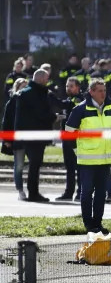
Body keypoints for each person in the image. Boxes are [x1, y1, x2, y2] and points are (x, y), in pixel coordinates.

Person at [65, 79, 111, 234]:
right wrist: (76, 150)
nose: (103, 94)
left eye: (104, 90)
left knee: (101, 194)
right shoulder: (80, 109)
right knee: (86, 193)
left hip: (105, 159)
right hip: (87, 159)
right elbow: (68, 132)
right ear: (91, 91)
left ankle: (97, 223)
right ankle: (88, 224)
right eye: (100, 91)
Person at [15, 69, 57, 202]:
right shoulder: (34, 94)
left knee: (35, 164)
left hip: (30, 135)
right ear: (40, 79)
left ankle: (33, 192)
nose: (47, 81)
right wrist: (54, 117)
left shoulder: (28, 92)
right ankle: (33, 193)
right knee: (35, 164)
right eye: (46, 78)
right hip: (35, 136)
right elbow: (40, 114)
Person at [55, 77, 84, 201]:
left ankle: (80, 193)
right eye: (67, 86)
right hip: (66, 137)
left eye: (71, 86)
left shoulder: (79, 100)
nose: (68, 88)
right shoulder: (69, 100)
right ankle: (68, 193)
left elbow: (76, 113)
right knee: (69, 167)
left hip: (76, 138)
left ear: (78, 87)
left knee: (79, 167)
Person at [2, 78, 29, 201]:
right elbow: (6, 122)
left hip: (31, 140)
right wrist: (6, 139)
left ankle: (33, 190)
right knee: (19, 166)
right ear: (16, 88)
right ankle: (20, 190)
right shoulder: (11, 103)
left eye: (25, 87)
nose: (24, 90)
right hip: (17, 140)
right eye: (21, 87)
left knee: (34, 165)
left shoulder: (31, 102)